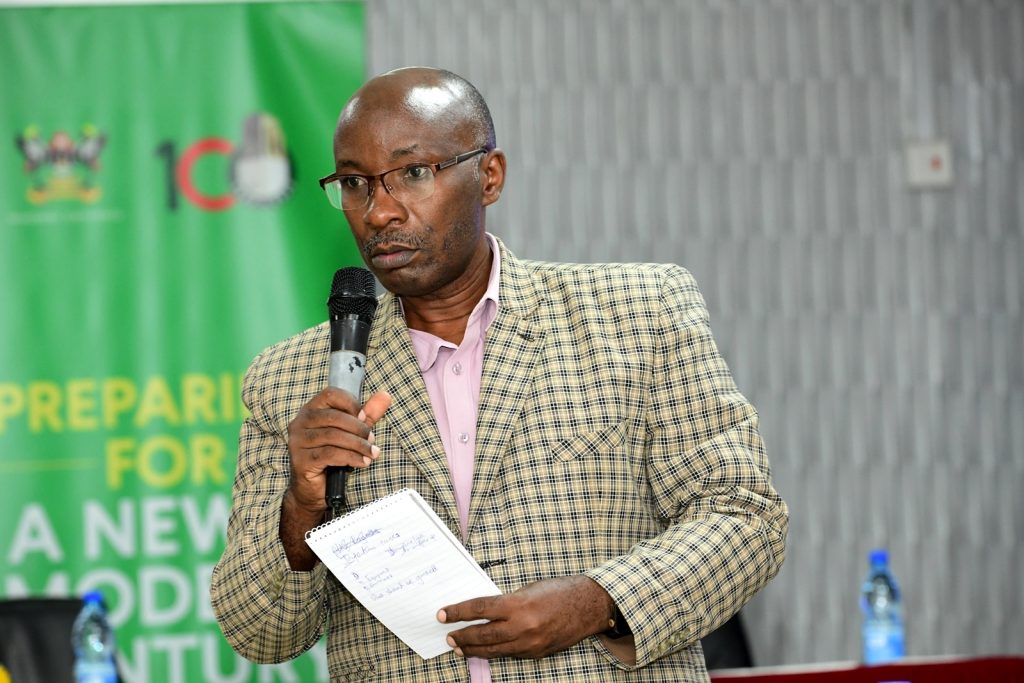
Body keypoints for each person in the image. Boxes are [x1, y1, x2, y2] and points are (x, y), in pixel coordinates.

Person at [211, 66, 788, 682]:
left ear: (489, 176)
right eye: (354, 183)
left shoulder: (637, 314)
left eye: (412, 173)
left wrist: (596, 603)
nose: (378, 212)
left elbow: (745, 517)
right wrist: (300, 508)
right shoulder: (290, 380)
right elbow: (259, 634)